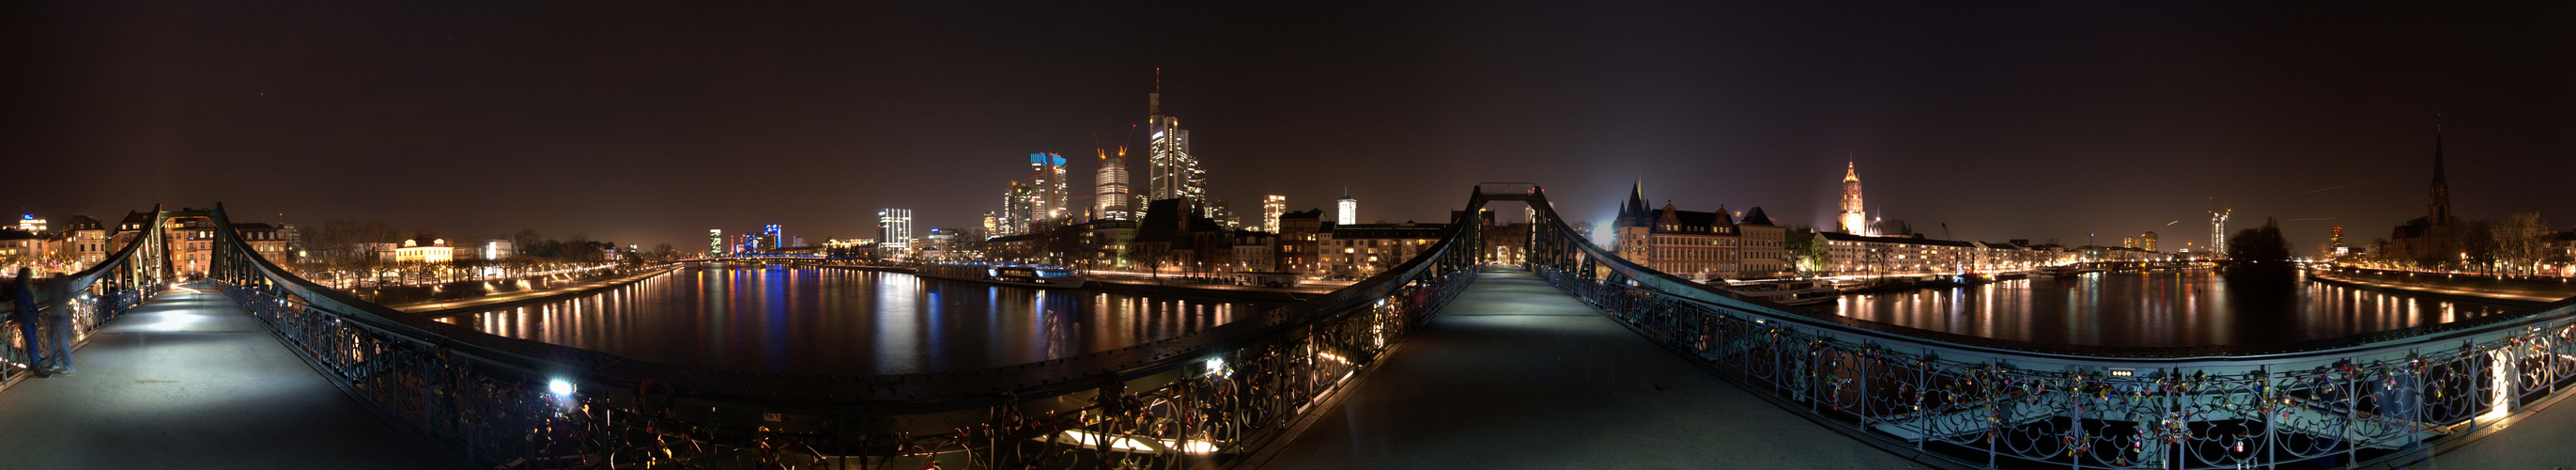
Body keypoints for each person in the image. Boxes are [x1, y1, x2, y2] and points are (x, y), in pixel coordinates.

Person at [10, 268, 48, 378]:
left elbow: (29, 303)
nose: (32, 276)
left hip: (29, 318)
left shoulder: (24, 286)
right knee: (32, 343)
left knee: (33, 342)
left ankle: (36, 364)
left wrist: (34, 314)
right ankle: (36, 367)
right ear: (26, 275)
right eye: (30, 274)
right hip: (24, 319)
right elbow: (21, 305)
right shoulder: (21, 287)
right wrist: (31, 316)